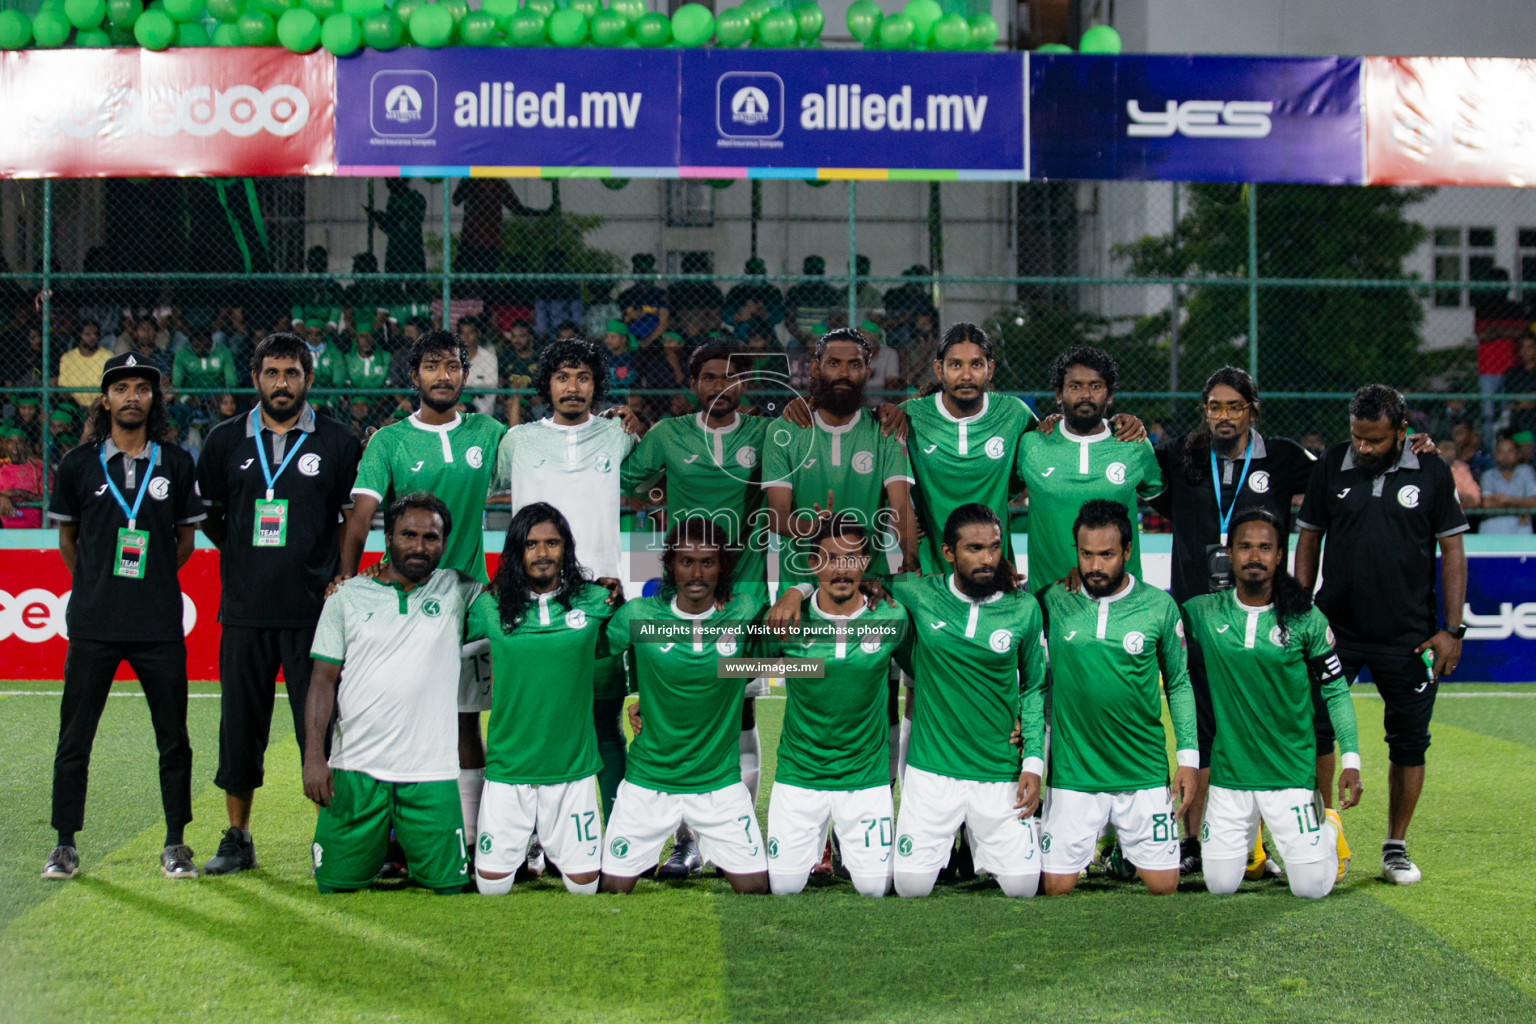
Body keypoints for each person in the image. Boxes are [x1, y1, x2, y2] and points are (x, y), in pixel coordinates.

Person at [771, 504, 1048, 898]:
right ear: (949, 553)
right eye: (974, 549)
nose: (987, 558)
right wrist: (795, 590)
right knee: (909, 887)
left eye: (994, 548)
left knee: (1024, 888)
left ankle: (979, 846)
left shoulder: (1024, 608)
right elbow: (856, 576)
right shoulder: (912, 596)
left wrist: (1033, 759)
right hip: (931, 769)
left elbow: (1034, 687)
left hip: (997, 765)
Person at [194, 333, 362, 876]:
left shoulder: (338, 441)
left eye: (292, 373)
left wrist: (333, 576)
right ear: (255, 378)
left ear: (308, 379)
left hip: (312, 614)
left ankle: (333, 837)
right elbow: (215, 520)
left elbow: (347, 523)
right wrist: (246, 553)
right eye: (272, 372)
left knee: (321, 728)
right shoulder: (223, 441)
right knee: (239, 728)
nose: (282, 383)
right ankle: (238, 836)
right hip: (243, 611)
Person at [1295, 384, 1468, 885]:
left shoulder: (1433, 471)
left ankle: (1395, 846)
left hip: (1409, 637)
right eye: (1357, 438)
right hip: (1335, 630)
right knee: (1315, 732)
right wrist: (1301, 612)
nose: (1363, 449)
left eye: (1374, 440)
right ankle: (1322, 833)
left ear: (1402, 431)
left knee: (1409, 743)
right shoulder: (1331, 463)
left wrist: (1451, 631)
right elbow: (1309, 538)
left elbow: (1452, 552)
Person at [43, 352, 205, 881]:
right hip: (94, 623)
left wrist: (153, 575)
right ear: (105, 399)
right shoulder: (78, 465)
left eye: (142, 388)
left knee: (173, 738)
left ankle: (176, 842)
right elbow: (69, 540)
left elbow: (185, 539)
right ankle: (65, 844)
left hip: (158, 623)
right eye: (122, 388)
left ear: (154, 399)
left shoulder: (178, 463)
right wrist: (95, 580)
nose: (132, 396)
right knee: (74, 738)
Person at [1149, 367, 1319, 872]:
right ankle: (1195, 842)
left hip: (1264, 620)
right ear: (1204, 410)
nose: (1224, 416)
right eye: (1214, 407)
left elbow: (1337, 480)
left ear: (1253, 409)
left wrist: (1409, 450)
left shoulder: (1284, 457)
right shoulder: (1182, 457)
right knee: (1196, 729)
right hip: (1196, 620)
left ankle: (1260, 846)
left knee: (1260, 727)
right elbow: (1134, 473)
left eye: (1234, 407)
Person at [341, 330, 506, 842]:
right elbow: (360, 516)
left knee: (463, 722)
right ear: (414, 377)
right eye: (431, 366)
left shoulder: (488, 432)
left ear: (465, 373)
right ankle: (392, 836)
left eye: (453, 366)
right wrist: (347, 583)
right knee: (398, 718)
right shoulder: (389, 440)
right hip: (403, 605)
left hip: (467, 601)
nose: (443, 375)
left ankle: (475, 832)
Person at [621, 344, 770, 877]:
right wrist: (634, 441)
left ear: (745, 385)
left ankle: (735, 832)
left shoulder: (764, 434)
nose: (720, 387)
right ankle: (687, 842)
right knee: (681, 712)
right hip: (681, 599)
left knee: (742, 711)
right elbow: (627, 479)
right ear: (693, 383)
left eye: (731, 378)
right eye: (709, 377)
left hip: (745, 598)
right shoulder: (667, 434)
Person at [494, 339, 640, 830]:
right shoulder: (518, 441)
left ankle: (620, 829)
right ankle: (533, 835)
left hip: (600, 601)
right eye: (562, 377)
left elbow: (645, 474)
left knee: (604, 726)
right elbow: (482, 481)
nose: (572, 387)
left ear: (596, 385)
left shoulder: (618, 435)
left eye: (582, 378)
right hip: (531, 603)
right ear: (547, 385)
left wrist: (630, 419)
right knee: (536, 724)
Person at [303, 493, 478, 895]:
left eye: (431, 537)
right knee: (335, 886)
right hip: (357, 767)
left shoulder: (457, 589)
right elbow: (322, 680)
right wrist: (315, 755)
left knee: (450, 888)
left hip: (430, 773)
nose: (419, 545)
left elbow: (518, 595)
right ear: (389, 539)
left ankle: (399, 848)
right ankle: (384, 846)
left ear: (444, 543)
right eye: (408, 535)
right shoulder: (346, 597)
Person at [1185, 509, 1362, 898]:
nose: (1254, 556)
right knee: (1218, 885)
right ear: (1228, 553)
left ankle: (1328, 826)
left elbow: (1335, 691)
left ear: (1280, 555)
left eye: (1265, 547)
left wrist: (1351, 761)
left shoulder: (1305, 619)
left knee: (1312, 890)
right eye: (1245, 547)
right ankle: (1253, 841)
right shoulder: (1201, 612)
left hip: (1291, 778)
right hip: (1230, 779)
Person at [599, 517, 770, 894]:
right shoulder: (638, 616)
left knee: (757, 888)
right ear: (670, 565)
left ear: (722, 566)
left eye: (708, 562)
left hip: (717, 782)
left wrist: (797, 592)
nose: (696, 572)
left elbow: (791, 646)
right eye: (686, 561)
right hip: (649, 779)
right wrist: (592, 595)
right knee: (611, 889)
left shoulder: (743, 611)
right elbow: (586, 647)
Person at [1038, 500, 1197, 896]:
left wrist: (1189, 760)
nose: (1095, 566)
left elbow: (1178, 683)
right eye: (1086, 554)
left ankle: (1122, 853)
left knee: (1164, 886)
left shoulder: (1160, 606)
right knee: (1055, 887)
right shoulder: (1053, 600)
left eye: (1106, 555)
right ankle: (1111, 852)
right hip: (1074, 773)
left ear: (1127, 551)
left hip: (1141, 771)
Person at [466, 504, 623, 895]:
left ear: (566, 548)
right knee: (491, 889)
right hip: (508, 770)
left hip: (572, 770)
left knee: (585, 888)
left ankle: (550, 847)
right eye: (532, 544)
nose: (542, 553)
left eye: (552, 543)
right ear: (517, 551)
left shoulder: (594, 600)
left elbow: (643, 640)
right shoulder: (490, 605)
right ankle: (527, 847)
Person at [763, 517, 905, 897]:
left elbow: (932, 675)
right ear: (813, 564)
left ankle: (846, 848)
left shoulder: (891, 617)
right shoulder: (787, 620)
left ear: (865, 562)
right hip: (799, 775)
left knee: (876, 889)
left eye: (852, 559)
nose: (841, 569)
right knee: (783, 887)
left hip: (864, 780)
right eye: (830, 559)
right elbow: (731, 670)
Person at [764, 327, 915, 585]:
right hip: (800, 588)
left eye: (854, 365)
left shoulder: (885, 430)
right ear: (815, 369)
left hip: (868, 586)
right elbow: (777, 516)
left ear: (867, 373)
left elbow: (900, 507)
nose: (844, 373)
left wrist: (912, 565)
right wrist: (819, 529)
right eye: (834, 363)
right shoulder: (783, 431)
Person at [1015, 345, 1162, 594]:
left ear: (1110, 394)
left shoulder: (1134, 444)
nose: (1085, 395)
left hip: (1122, 602)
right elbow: (999, 497)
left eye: (1095, 386)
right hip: (1049, 599)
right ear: (1058, 394)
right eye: (1075, 386)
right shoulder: (1032, 444)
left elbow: (1165, 502)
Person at [366, 178, 427, 278]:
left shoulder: (415, 198)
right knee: (393, 285)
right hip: (396, 250)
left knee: (414, 286)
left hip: (411, 250)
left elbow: (406, 225)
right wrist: (379, 218)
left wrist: (390, 220)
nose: (388, 183)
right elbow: (392, 226)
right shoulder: (393, 199)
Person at [1479, 434, 1536, 534]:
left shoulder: (1527, 472)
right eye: (1501, 452)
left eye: (1510, 451)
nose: (1505, 456)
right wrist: (1521, 505)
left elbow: (1534, 502)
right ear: (1495, 455)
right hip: (1492, 530)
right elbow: (1487, 504)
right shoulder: (1488, 475)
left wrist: (1509, 500)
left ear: (1518, 454)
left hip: (1521, 529)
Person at [171, 331, 236, 415]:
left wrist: (222, 395)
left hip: (218, 396)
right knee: (178, 409)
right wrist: (186, 398)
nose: (200, 349)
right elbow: (176, 384)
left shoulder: (224, 352)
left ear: (211, 342)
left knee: (225, 406)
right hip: (191, 396)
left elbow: (232, 382)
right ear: (191, 344)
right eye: (196, 346)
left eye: (205, 345)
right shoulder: (182, 354)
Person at [783, 256, 841, 347]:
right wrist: (805, 341)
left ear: (822, 273)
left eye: (817, 272)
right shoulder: (794, 292)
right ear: (805, 272)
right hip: (799, 340)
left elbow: (835, 321)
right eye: (810, 272)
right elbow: (789, 322)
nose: (814, 275)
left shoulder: (832, 293)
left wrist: (820, 339)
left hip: (825, 338)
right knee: (792, 350)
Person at [723, 257, 785, 343]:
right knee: (723, 341)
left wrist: (762, 313)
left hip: (766, 335)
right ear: (746, 272)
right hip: (741, 335)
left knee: (778, 351)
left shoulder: (772, 291)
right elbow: (725, 315)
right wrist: (740, 315)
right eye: (751, 272)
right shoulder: (736, 291)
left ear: (764, 272)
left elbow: (779, 315)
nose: (755, 276)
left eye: (759, 272)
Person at [616, 254, 670, 348]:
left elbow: (663, 324)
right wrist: (628, 317)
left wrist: (646, 342)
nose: (642, 275)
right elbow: (618, 325)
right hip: (629, 341)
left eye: (645, 271)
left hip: (654, 342)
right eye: (638, 271)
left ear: (652, 273)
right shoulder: (625, 296)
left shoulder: (661, 295)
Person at [57, 322, 113, 408]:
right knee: (58, 419)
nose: (93, 337)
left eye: (95, 334)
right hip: (73, 405)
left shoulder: (108, 357)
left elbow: (111, 388)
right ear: (79, 336)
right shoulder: (67, 358)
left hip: (100, 405)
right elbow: (63, 389)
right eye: (88, 334)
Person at [0, 429, 44, 528]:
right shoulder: (1, 467)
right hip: (6, 530)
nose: (14, 447)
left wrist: (21, 493)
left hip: (37, 529)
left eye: (19, 442)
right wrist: (2, 496)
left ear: (26, 444)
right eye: (10, 442)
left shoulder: (38, 468)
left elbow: (47, 498)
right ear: (5, 445)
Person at [459, 317, 499, 417]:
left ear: (478, 334)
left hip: (482, 408)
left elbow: (490, 388)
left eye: (470, 333)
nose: (466, 337)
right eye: (462, 333)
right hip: (457, 406)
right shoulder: (453, 357)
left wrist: (465, 389)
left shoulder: (489, 357)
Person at [1502, 332, 1536, 437]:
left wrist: (1521, 402)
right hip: (1519, 422)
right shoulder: (1513, 373)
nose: (1527, 351)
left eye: (1530, 347)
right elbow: (1510, 402)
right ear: (1520, 351)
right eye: (1523, 348)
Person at [1435, 438, 1482, 509]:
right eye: (1447, 448)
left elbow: (1475, 498)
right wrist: (1457, 499)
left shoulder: (1462, 468)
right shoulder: (1426, 468)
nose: (1451, 452)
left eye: (1453, 449)